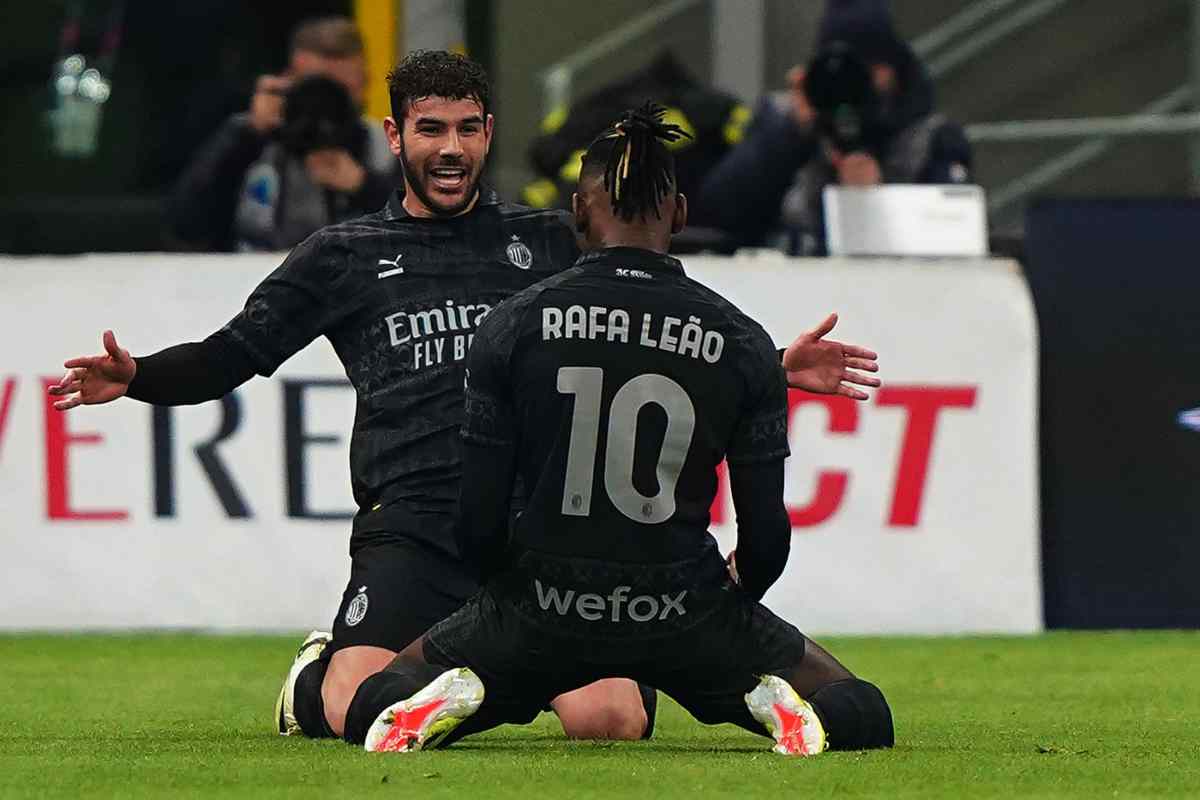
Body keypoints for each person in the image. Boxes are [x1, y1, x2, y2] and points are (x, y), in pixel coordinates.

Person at [48, 52, 880, 747]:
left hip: (536, 536)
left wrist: (771, 365)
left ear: (488, 133)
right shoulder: (343, 254)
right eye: (431, 129)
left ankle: (501, 679)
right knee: (350, 708)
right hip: (413, 527)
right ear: (395, 136)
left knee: (612, 722)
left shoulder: (551, 241)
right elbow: (229, 356)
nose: (451, 148)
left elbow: (644, 330)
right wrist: (139, 376)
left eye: (468, 128)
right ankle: (316, 673)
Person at [338, 104, 894, 756]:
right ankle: (760, 695)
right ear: (679, 213)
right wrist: (731, 601)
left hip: (539, 605)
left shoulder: (512, 326)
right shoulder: (741, 342)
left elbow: (478, 524)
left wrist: (508, 604)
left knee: (373, 703)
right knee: (860, 711)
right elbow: (767, 539)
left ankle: (478, 688)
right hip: (683, 607)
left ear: (578, 212)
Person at [699, 0, 972, 254]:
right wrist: (788, 135)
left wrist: (880, 199)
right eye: (846, 69)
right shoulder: (785, 120)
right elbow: (718, 212)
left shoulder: (930, 138)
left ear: (894, 68)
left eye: (869, 66)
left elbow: (956, 236)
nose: (856, 83)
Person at [169, 16, 395, 252]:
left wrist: (363, 186)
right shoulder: (249, 139)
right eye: (315, 88)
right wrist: (247, 136)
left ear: (365, 85)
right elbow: (183, 224)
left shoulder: (385, 146)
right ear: (287, 81)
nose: (324, 104)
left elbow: (419, 232)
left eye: (338, 91)